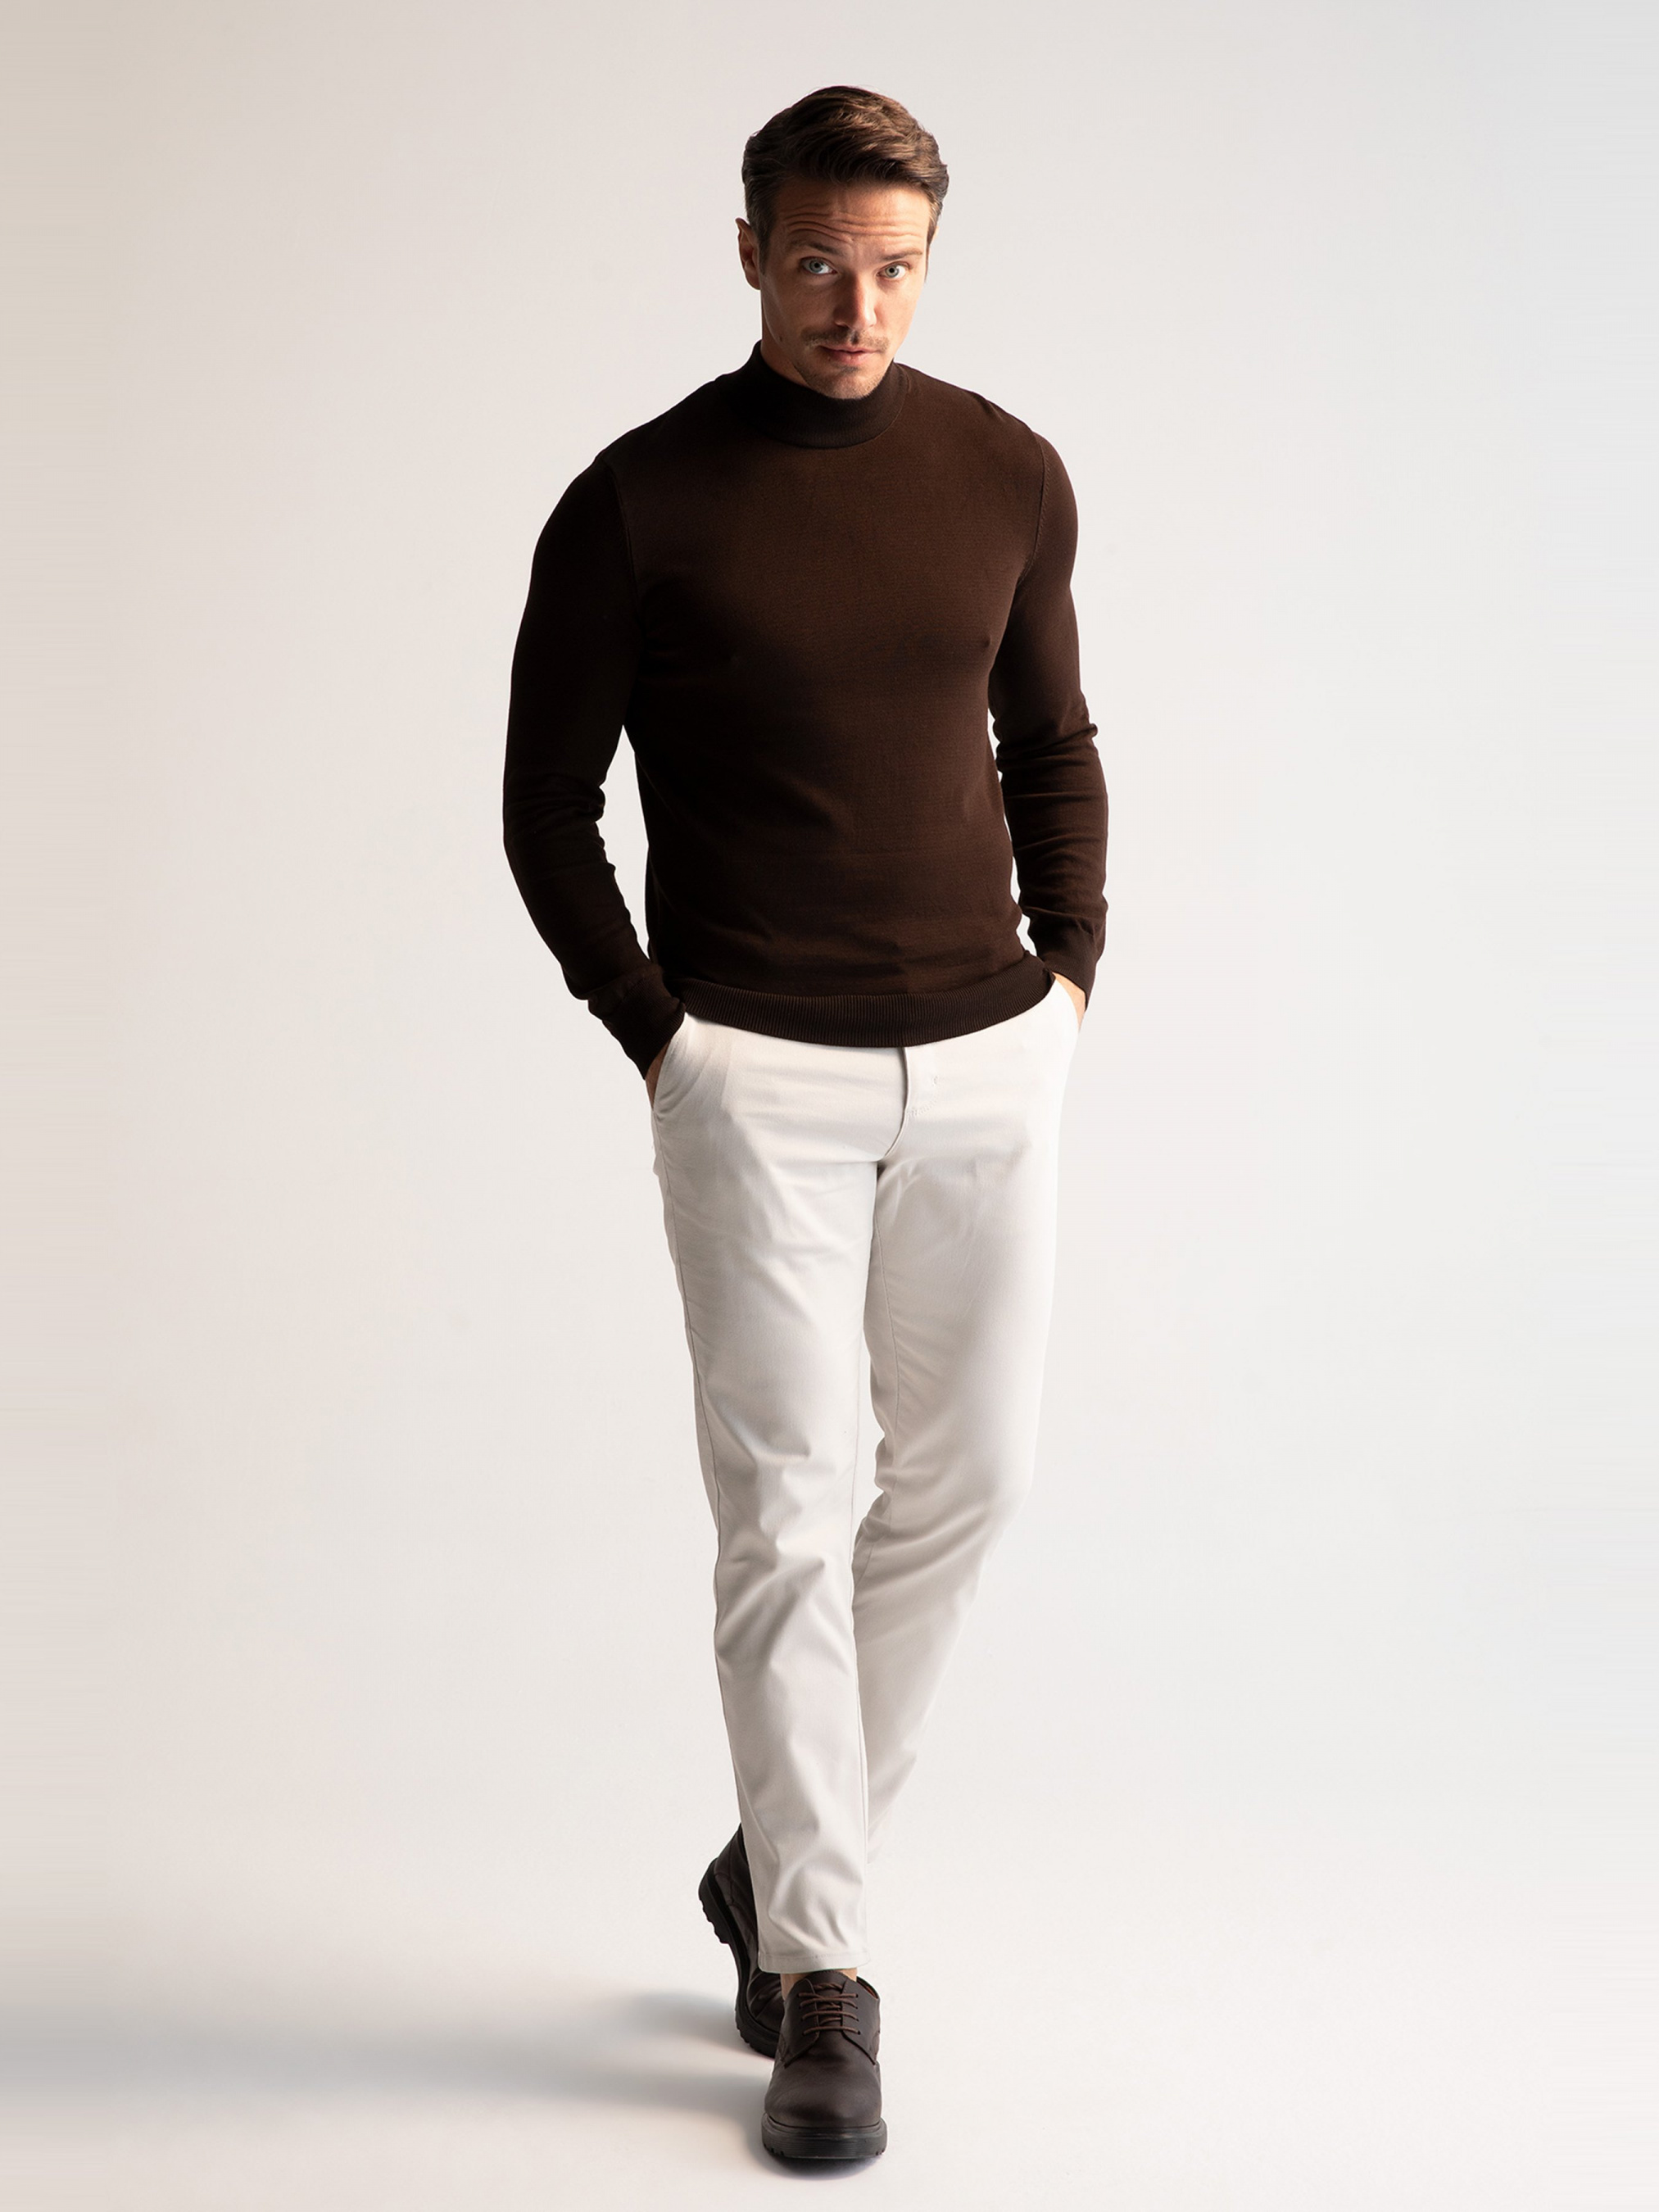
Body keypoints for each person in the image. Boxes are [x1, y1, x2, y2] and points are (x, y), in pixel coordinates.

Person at [503, 84, 1107, 2162]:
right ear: (751, 250)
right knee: (782, 1511)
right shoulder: (637, 503)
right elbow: (543, 807)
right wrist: (660, 1039)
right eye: (822, 265)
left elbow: (1050, 740)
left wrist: (1067, 974)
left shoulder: (1004, 470)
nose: (858, 308)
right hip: (750, 1070)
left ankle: (772, 1853)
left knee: (970, 1485)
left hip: (987, 1056)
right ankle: (820, 1973)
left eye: (896, 269)